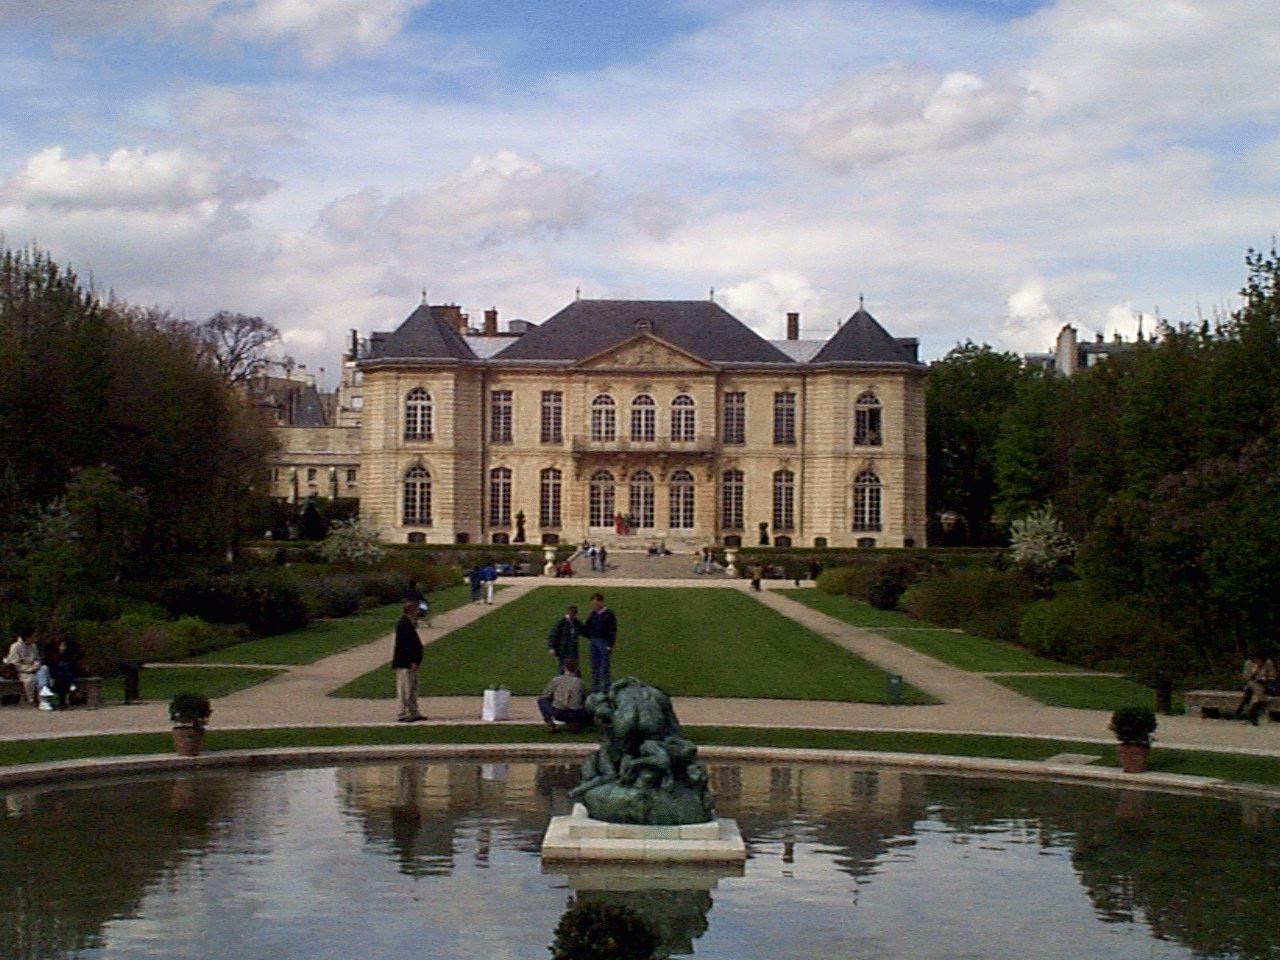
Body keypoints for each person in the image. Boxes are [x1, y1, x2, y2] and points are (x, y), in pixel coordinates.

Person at [537, 659, 591, 733]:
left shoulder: (556, 680)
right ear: (576, 669)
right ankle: (575, 723)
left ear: (564, 668)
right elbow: (585, 698)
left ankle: (550, 723)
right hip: (576, 714)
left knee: (542, 700)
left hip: (559, 713)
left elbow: (545, 695)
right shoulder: (580, 682)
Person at [392, 602, 424, 722]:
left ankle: (413, 711)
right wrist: (412, 660)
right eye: (416, 610)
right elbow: (406, 645)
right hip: (405, 662)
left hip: (411, 661)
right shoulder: (403, 624)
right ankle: (403, 713)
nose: (418, 612)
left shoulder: (409, 623)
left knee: (413, 688)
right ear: (411, 611)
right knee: (405, 688)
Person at [583, 593, 617, 693]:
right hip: (594, 640)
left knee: (604, 667)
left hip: (604, 641)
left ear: (601, 602)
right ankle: (595, 688)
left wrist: (610, 644)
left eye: (596, 603)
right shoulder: (593, 614)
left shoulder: (609, 614)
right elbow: (587, 626)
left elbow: (612, 630)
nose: (594, 605)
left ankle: (606, 687)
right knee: (594, 666)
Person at [1236, 651, 1278, 725]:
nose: (1258, 662)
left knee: (1259, 694)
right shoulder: (1249, 663)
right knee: (1255, 689)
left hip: (1264, 685)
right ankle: (1252, 714)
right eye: (1256, 660)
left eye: (1260, 660)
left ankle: (1245, 706)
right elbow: (1246, 678)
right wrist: (1254, 671)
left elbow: (1273, 676)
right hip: (1252, 684)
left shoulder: (1268, 663)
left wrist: (1265, 678)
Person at [4, 635, 41, 706]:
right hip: (20, 671)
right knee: (30, 679)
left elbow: (37, 658)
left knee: (41, 677)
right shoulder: (15, 646)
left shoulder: (34, 646)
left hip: (34, 669)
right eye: (33, 636)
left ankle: (42, 699)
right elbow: (14, 663)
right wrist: (29, 669)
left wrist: (36, 665)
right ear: (27, 636)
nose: (35, 638)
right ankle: (31, 700)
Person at [547, 604, 583, 669]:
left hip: (573, 650)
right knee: (563, 668)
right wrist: (551, 647)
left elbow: (584, 631)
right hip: (563, 650)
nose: (572, 615)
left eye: (574, 613)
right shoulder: (561, 623)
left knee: (575, 668)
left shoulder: (577, 622)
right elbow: (553, 634)